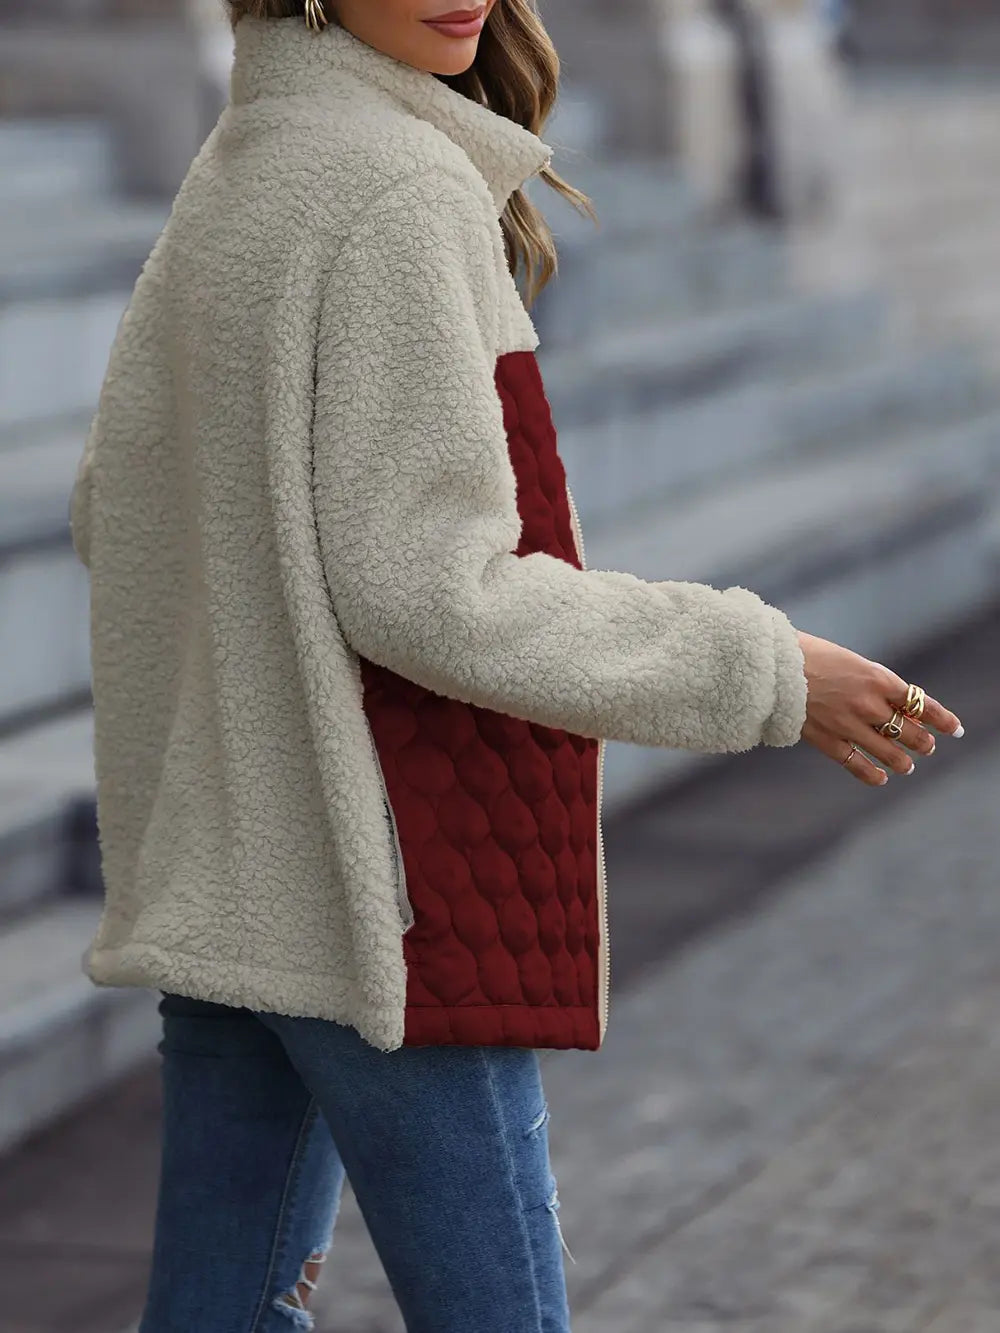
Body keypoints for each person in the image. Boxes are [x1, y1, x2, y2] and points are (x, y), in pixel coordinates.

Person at [67, 1, 964, 1329]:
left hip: (245, 882)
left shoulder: (250, 156)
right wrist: (768, 668)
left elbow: (119, 505)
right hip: (388, 897)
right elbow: (432, 592)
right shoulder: (397, 186)